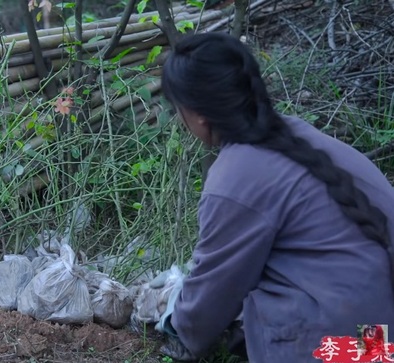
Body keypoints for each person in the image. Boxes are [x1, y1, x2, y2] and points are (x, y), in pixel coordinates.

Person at [155, 31, 394, 362]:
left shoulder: (235, 176)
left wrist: (176, 326)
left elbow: (215, 289)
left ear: (196, 113)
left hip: (331, 351)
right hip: (378, 344)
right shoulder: (304, 138)